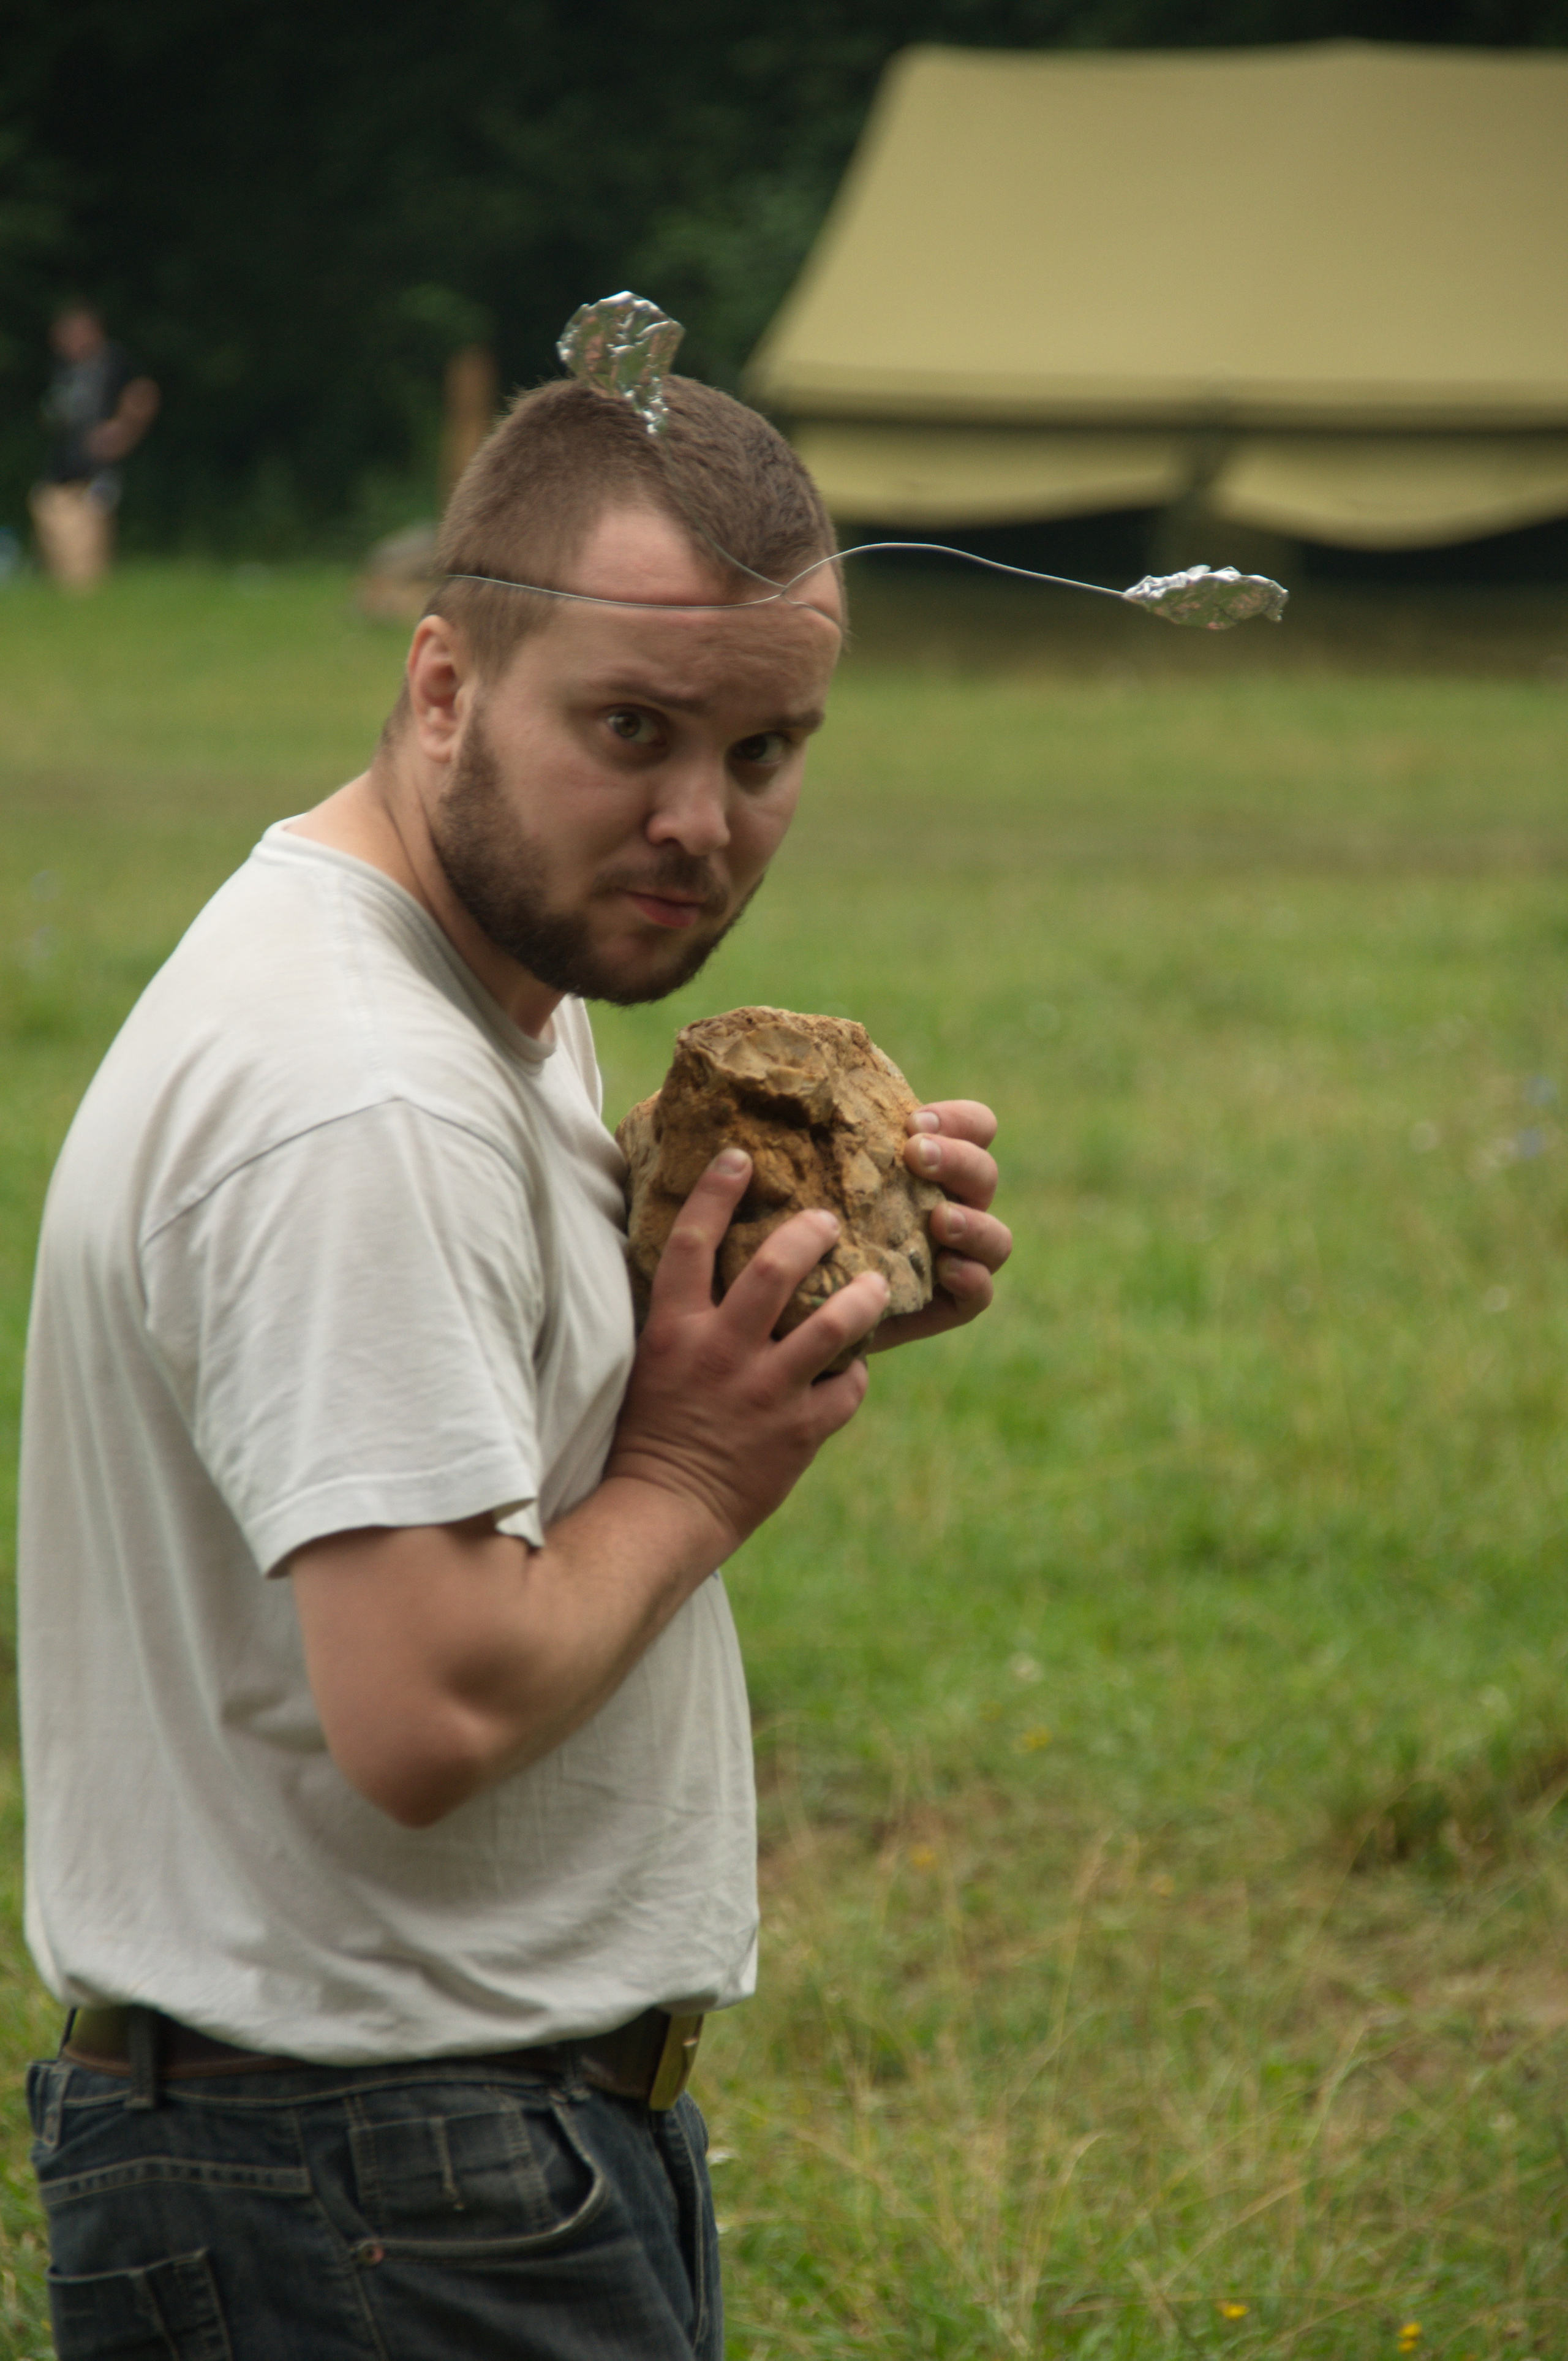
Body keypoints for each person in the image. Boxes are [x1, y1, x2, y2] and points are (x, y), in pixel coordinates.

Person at [18, 363, 1010, 2359]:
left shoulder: (488, 976)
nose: (699, 822)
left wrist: (765, 1276)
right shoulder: (359, 1092)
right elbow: (428, 1706)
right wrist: (705, 1464)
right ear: (447, 682)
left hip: (424, 2152)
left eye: (766, 746)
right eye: (631, 730)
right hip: (370, 2191)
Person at [29, 306, 159, 590]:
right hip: (62, 466)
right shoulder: (63, 368)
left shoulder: (113, 361)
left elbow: (143, 393)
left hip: (97, 468)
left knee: (89, 531)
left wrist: (122, 430)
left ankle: (85, 589)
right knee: (49, 516)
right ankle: (65, 588)